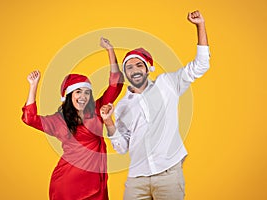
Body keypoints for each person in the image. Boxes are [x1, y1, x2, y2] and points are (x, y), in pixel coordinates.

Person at [100, 10, 210, 200]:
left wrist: (200, 25)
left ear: (148, 69)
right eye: (129, 67)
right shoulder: (122, 106)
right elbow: (122, 147)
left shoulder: (167, 84)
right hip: (137, 179)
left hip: (169, 175)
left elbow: (201, 65)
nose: (134, 70)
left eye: (139, 65)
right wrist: (108, 122)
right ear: (125, 73)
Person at [21, 37, 124, 200]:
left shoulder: (97, 109)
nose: (83, 96)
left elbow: (115, 84)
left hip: (95, 182)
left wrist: (110, 50)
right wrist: (33, 86)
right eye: (78, 92)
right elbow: (30, 118)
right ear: (69, 95)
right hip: (67, 182)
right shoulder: (58, 120)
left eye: (86, 92)